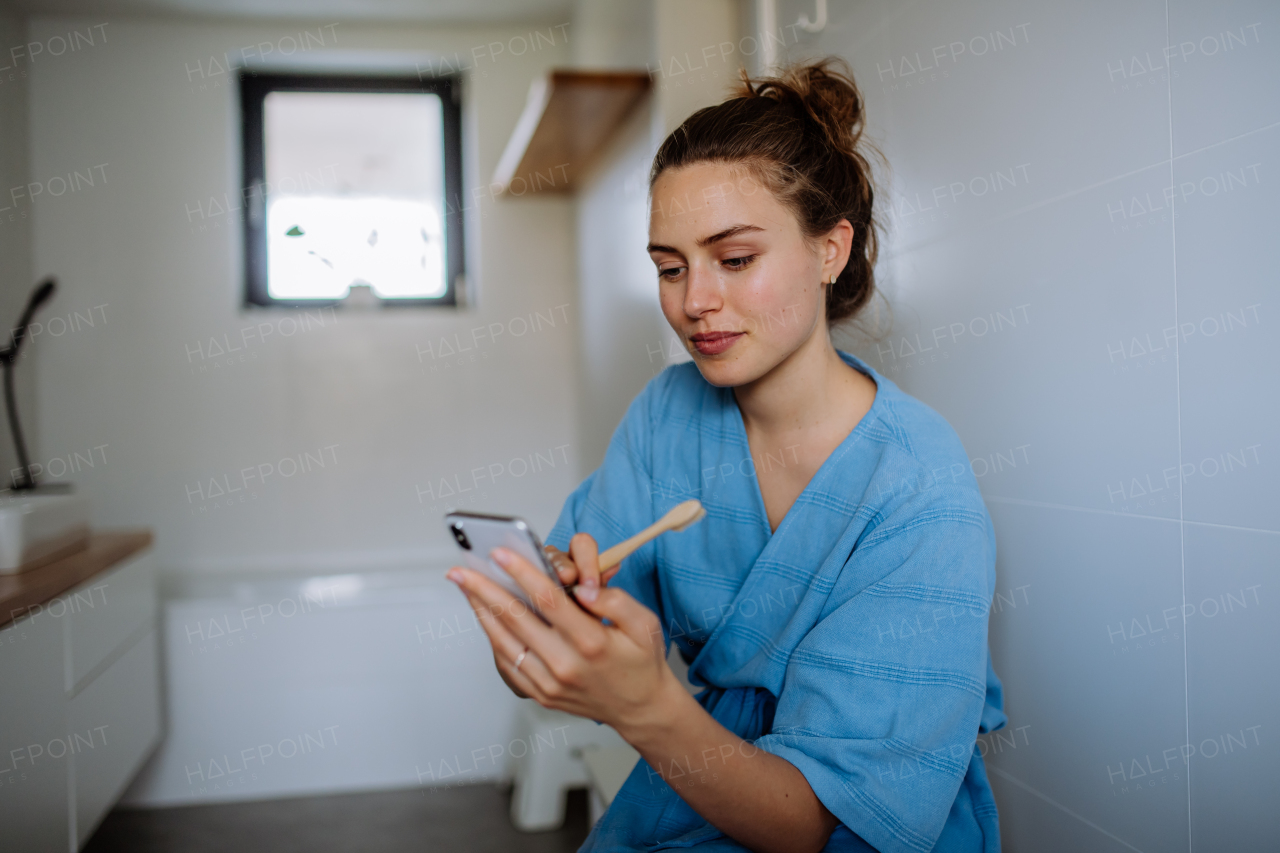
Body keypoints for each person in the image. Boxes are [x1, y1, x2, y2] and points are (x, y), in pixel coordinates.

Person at [447, 56, 1007, 853]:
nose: (693, 301)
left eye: (734, 259)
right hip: (697, 784)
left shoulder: (918, 490)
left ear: (829, 250)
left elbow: (818, 822)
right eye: (669, 268)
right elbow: (583, 606)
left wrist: (645, 704)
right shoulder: (667, 416)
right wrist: (548, 631)